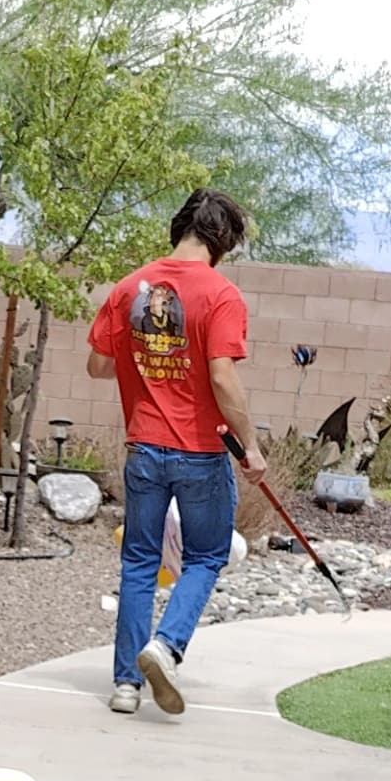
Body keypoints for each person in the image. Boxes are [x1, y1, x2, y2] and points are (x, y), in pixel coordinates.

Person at [87, 189, 258, 717]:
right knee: (206, 556)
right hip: (201, 453)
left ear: (180, 227)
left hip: (144, 449)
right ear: (223, 239)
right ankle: (166, 645)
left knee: (139, 561)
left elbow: (97, 366)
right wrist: (249, 445)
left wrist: (147, 360)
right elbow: (222, 375)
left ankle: (124, 686)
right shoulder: (222, 295)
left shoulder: (128, 288)